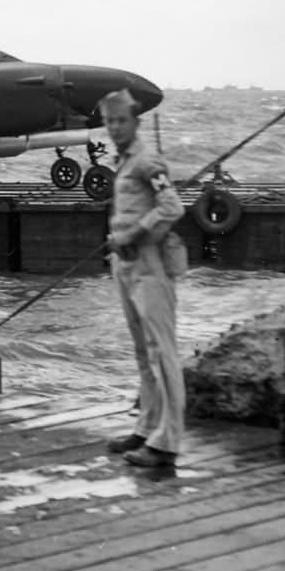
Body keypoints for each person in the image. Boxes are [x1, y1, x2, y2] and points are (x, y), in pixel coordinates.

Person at [100, 88, 187, 469]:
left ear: (135, 122)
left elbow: (172, 207)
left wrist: (132, 234)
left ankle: (166, 442)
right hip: (127, 265)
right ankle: (147, 426)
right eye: (109, 121)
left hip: (150, 264)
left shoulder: (147, 160)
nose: (115, 127)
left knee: (161, 352)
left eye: (121, 120)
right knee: (142, 352)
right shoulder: (123, 160)